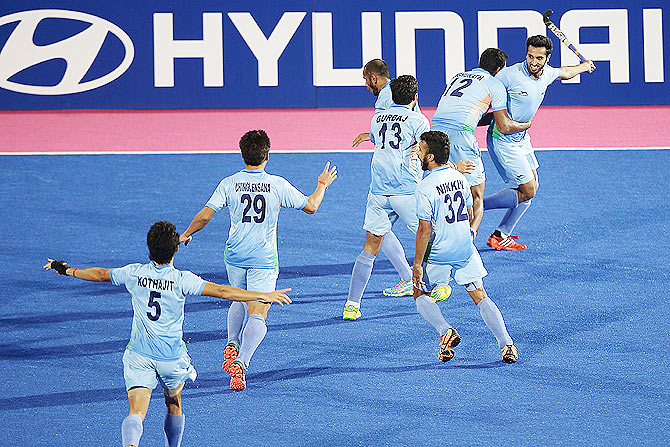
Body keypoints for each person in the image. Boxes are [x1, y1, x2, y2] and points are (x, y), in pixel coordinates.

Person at [43, 221, 292, 447]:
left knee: (136, 413)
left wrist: (67, 270)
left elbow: (99, 274)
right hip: (171, 359)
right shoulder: (182, 279)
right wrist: (263, 295)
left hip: (139, 356)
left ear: (149, 249)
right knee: (174, 403)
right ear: (176, 250)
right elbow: (225, 292)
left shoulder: (134, 273)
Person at [179, 129, 337, 390]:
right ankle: (241, 362)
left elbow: (206, 215)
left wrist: (186, 233)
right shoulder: (277, 184)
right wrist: (322, 184)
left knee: (238, 297)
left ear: (242, 155)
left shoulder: (229, 182)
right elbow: (311, 206)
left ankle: (232, 341)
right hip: (263, 258)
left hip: (235, 255)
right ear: (267, 156)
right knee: (259, 312)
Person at [352, 59, 474, 299]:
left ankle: (434, 279)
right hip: (402, 181)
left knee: (415, 232)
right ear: (414, 96)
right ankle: (420, 278)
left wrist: (447, 167)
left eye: (366, 80)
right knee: (398, 231)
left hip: (394, 182)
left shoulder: (385, 103)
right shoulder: (409, 111)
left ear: (374, 78)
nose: (366, 85)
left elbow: (409, 138)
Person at [411, 131, 518, 363]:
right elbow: (470, 212)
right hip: (464, 247)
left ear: (430, 157)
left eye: (420, 150)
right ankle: (507, 344)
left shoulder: (425, 187)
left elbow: (424, 230)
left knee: (419, 292)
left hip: (439, 250)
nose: (417, 153)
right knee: (480, 295)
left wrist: (417, 264)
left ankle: (445, 331)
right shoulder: (460, 178)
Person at [484, 35, 596, 250]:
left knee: (532, 186)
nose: (533, 62)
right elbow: (485, 93)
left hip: (521, 139)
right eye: (530, 56)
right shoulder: (509, 75)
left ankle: (500, 235)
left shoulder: (547, 73)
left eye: (538, 58)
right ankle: (474, 205)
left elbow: (565, 72)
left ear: (547, 58)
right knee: (527, 190)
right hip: (503, 139)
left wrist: (583, 67)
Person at [342, 74, 429, 320]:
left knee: (370, 248)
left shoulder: (377, 117)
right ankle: (436, 285)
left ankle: (352, 304)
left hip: (379, 192)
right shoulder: (419, 120)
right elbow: (426, 153)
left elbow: (380, 138)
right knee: (429, 238)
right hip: (407, 191)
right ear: (414, 97)